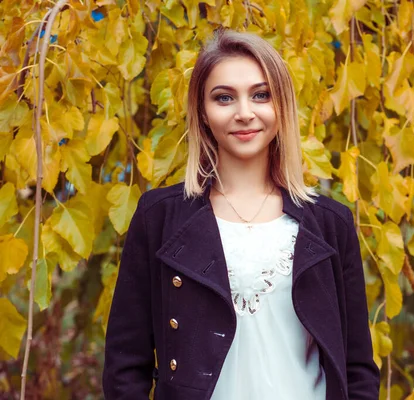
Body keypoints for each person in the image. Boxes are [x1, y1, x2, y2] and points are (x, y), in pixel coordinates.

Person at [102, 29, 379, 400]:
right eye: (224, 97)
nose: (244, 113)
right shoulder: (160, 218)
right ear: (201, 111)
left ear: (280, 105)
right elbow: (125, 366)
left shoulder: (331, 224)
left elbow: (357, 366)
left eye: (261, 95)